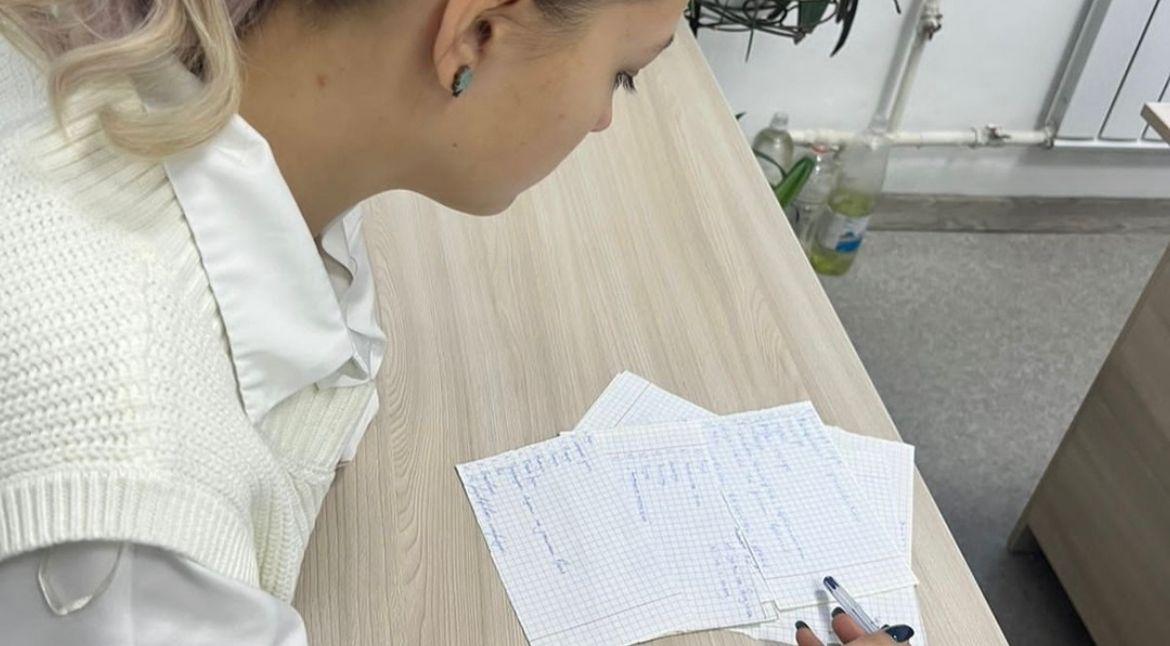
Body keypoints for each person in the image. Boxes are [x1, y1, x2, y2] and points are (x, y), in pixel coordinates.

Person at [0, 0, 909, 644]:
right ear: (475, 33)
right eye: (622, 76)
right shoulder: (126, 523)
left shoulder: (200, 93)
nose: (602, 119)